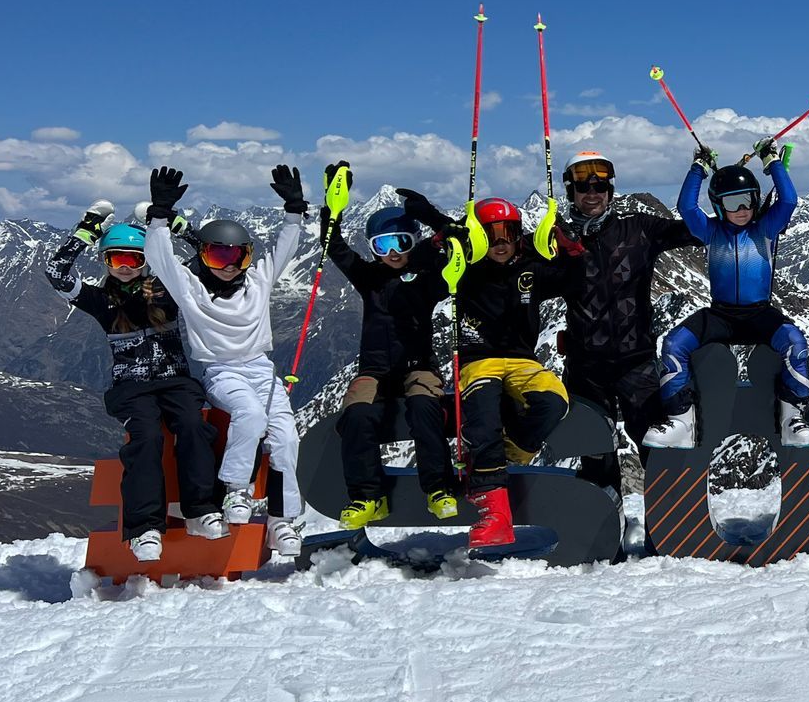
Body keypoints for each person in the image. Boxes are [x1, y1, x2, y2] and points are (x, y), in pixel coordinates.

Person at [143, 165, 308, 557]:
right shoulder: (190, 289)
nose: (229, 264)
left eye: (237, 255)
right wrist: (159, 216)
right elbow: (160, 257)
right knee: (249, 415)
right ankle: (237, 491)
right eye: (218, 255)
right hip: (221, 371)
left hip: (261, 368)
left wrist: (294, 211)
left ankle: (282, 522)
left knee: (287, 438)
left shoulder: (258, 282)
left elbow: (285, 249)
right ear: (203, 257)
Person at [398, 189, 575, 548]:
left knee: (554, 401)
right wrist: (435, 223)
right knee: (482, 414)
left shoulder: (531, 267)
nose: (501, 242)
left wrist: (569, 248)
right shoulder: (463, 268)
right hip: (478, 361)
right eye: (491, 234)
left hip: (524, 361)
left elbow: (573, 277)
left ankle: (510, 452)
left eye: (508, 232)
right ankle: (493, 514)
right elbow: (417, 264)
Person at [46, 205, 224, 560]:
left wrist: (175, 225)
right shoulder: (100, 301)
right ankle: (144, 528)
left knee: (193, 425)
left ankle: (202, 509)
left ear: (146, 260)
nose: (125, 267)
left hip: (175, 381)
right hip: (132, 388)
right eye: (116, 259)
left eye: (133, 258)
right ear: (105, 262)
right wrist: (87, 229)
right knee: (146, 437)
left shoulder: (167, 289)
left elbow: (207, 261)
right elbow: (57, 273)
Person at [644, 139, 809, 451]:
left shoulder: (765, 229)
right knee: (674, 344)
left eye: (748, 200)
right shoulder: (710, 231)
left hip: (759, 313)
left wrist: (772, 161)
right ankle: (681, 420)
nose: (742, 210)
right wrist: (698, 168)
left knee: (795, 343)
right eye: (732, 203)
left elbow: (788, 200)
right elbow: (687, 207)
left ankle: (793, 417)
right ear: (719, 205)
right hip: (720, 314)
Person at [320, 163, 462, 529]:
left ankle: (438, 488)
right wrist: (332, 209)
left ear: (414, 241)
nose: (394, 253)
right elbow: (334, 246)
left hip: (418, 367)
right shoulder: (370, 278)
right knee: (356, 415)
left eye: (402, 242)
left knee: (425, 408)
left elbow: (461, 246)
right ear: (373, 250)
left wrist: (435, 220)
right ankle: (368, 496)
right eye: (383, 245)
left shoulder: (429, 278)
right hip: (375, 370)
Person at [552, 149, 701, 495]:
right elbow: (509, 267)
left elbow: (696, 231)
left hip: (637, 363)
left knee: (656, 447)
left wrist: (740, 205)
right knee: (595, 454)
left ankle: (669, 517)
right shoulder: (557, 240)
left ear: (610, 191)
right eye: (584, 187)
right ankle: (605, 522)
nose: (593, 194)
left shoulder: (638, 229)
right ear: (571, 192)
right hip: (586, 370)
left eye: (600, 187)